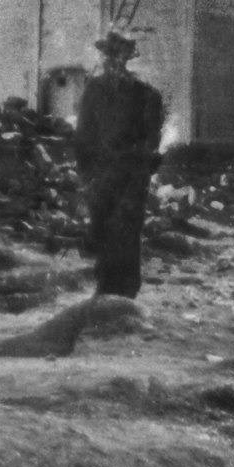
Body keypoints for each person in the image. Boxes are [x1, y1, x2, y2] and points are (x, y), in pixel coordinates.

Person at [73, 29, 165, 299]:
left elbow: (151, 139)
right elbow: (83, 133)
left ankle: (126, 293)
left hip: (130, 174)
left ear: (126, 58)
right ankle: (104, 289)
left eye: (118, 56)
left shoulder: (146, 94)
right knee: (101, 225)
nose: (111, 61)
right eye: (108, 56)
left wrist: (138, 167)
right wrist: (85, 174)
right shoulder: (93, 89)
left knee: (126, 228)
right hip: (99, 172)